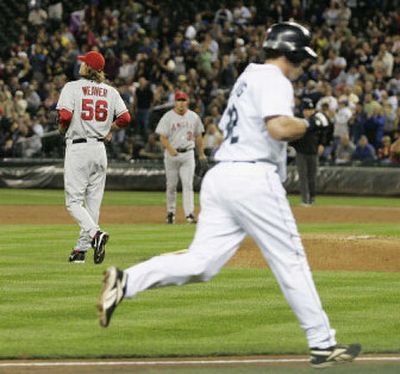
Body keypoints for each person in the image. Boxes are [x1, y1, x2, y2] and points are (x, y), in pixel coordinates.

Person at [97, 22, 361, 369]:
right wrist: (313, 123)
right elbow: (279, 128)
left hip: (222, 177)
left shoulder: (248, 77)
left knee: (201, 264)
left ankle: (127, 280)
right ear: (292, 52)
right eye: (302, 57)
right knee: (291, 260)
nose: (302, 65)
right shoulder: (274, 78)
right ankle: (323, 343)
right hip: (252, 177)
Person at [57, 50, 130, 264]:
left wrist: (62, 128)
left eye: (83, 63)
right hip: (99, 150)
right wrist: (110, 130)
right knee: (92, 204)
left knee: (73, 203)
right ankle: (80, 251)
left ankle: (96, 235)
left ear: (88, 67)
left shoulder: (72, 87)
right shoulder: (111, 91)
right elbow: (125, 118)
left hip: (79, 148)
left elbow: (65, 115)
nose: (80, 65)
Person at [155, 90, 206, 224]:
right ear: (175, 102)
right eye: (179, 100)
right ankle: (170, 213)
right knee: (171, 186)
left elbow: (199, 136)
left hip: (188, 153)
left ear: (187, 101)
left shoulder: (194, 117)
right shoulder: (168, 117)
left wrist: (201, 154)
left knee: (188, 185)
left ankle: (189, 214)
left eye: (183, 100)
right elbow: (162, 137)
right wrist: (170, 149)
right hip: (172, 155)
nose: (181, 103)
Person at [290, 98, 332, 206]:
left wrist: (322, 144)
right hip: (301, 152)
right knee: (303, 177)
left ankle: (312, 198)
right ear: (303, 110)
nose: (309, 111)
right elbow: (293, 136)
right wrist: (294, 145)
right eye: (307, 109)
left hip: (313, 152)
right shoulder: (298, 120)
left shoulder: (317, 121)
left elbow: (325, 132)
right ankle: (305, 199)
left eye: (311, 109)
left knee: (312, 177)